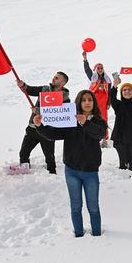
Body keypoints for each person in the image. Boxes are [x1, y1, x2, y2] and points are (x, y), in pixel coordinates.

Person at [33, 90, 107, 237]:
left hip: (91, 172)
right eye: (84, 100)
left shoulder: (99, 122)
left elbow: (99, 134)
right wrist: (40, 126)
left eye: (90, 100)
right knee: (76, 207)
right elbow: (53, 134)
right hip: (72, 171)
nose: (87, 102)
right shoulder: (69, 120)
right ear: (78, 103)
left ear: (94, 103)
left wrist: (85, 123)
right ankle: (78, 235)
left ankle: (98, 236)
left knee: (93, 207)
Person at [17, 72, 70, 174]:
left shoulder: (65, 99)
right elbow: (29, 90)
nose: (53, 79)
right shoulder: (44, 89)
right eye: (54, 76)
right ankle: (24, 171)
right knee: (23, 152)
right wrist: (23, 85)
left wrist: (39, 111)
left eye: (57, 78)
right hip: (32, 128)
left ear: (62, 83)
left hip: (48, 131)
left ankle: (52, 175)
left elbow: (59, 116)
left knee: (49, 158)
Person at [82, 51, 112, 147]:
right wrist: (85, 59)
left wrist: (109, 102)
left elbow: (110, 92)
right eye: (98, 68)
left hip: (103, 103)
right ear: (95, 69)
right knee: (93, 118)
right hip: (94, 101)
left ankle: (104, 138)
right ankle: (92, 137)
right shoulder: (93, 78)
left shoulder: (107, 80)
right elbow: (87, 70)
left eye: (101, 68)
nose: (100, 69)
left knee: (104, 119)